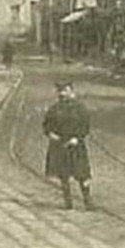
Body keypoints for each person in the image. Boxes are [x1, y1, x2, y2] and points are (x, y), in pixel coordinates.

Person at [42, 81, 93, 210]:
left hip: (77, 145)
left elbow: (85, 126)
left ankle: (88, 201)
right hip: (60, 145)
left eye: (65, 91)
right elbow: (47, 125)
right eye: (60, 91)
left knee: (83, 174)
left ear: (71, 91)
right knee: (63, 175)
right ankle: (68, 202)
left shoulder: (80, 108)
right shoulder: (54, 108)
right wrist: (51, 134)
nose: (63, 94)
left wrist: (77, 138)